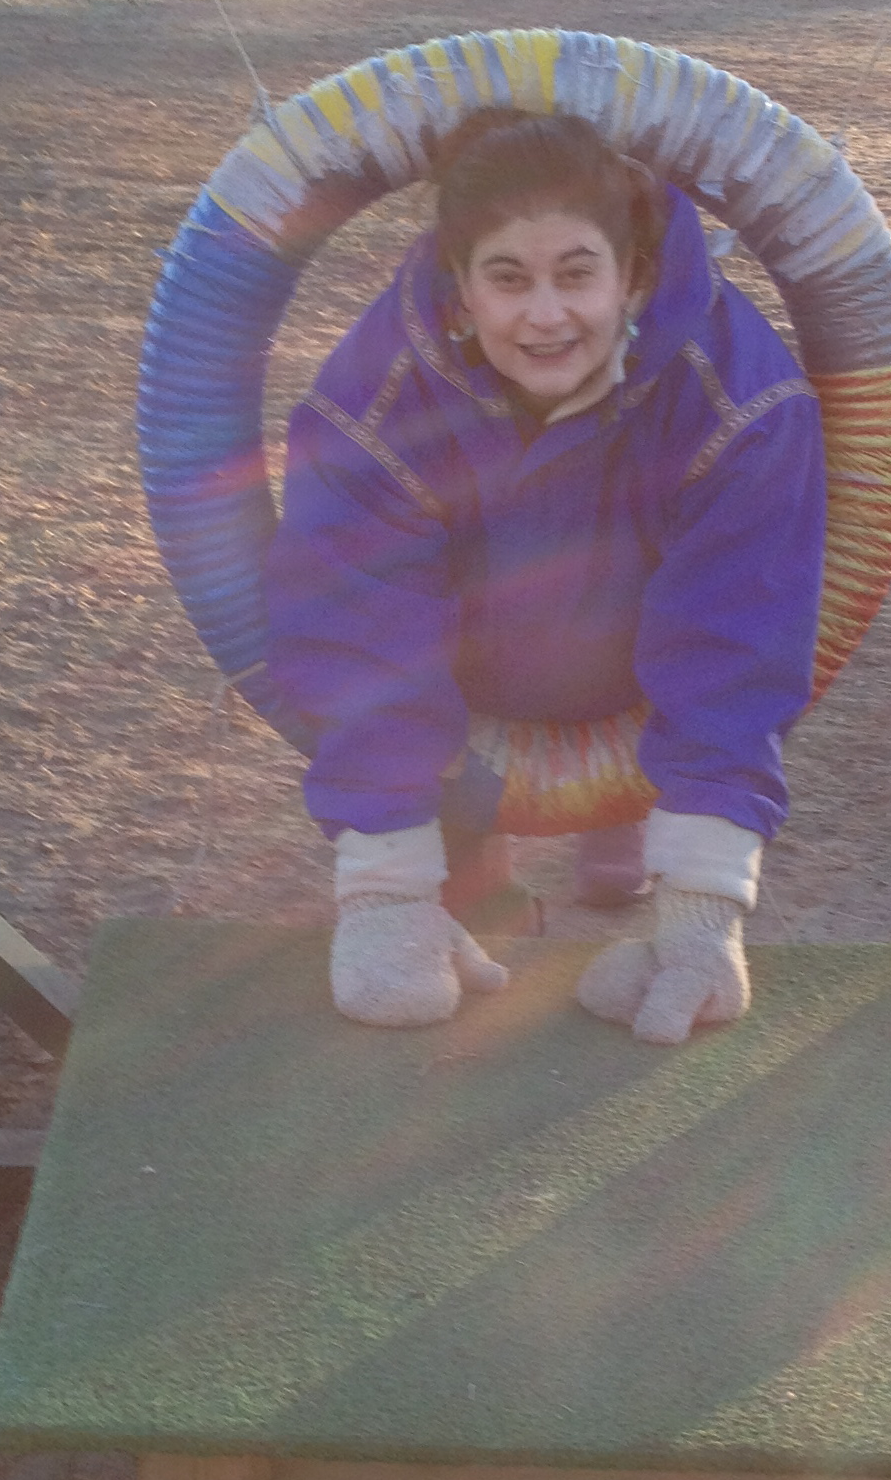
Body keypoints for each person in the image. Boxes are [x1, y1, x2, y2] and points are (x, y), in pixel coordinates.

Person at [264, 106, 826, 1041]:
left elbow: (739, 638)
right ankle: (472, 874)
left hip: (639, 645)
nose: (545, 315)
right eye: (507, 278)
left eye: (576, 274)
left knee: (657, 762)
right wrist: (385, 891)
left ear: (633, 274)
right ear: (459, 284)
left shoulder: (743, 403)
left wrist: (702, 911)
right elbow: (357, 627)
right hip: (473, 653)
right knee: (450, 857)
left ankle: (626, 825)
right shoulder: (373, 399)